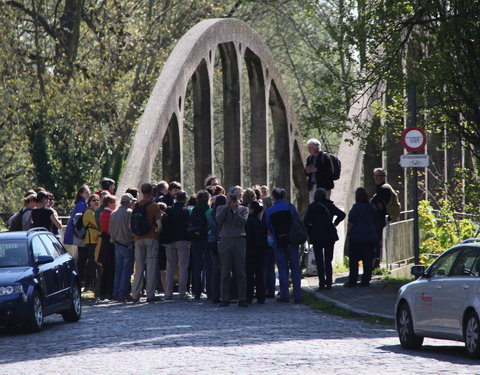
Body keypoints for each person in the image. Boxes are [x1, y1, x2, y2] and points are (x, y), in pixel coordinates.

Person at [264, 188, 302, 303]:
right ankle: (297, 295)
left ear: (273, 197)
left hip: (278, 242)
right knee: (295, 268)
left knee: (282, 269)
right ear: (284, 196)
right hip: (292, 241)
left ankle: (285, 295)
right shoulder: (291, 207)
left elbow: (268, 227)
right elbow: (297, 220)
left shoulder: (269, 211)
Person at [303, 188, 346, 290]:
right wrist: (335, 223)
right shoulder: (329, 205)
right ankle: (329, 282)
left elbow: (305, 222)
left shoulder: (312, 207)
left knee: (319, 260)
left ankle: (322, 283)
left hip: (317, 236)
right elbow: (342, 214)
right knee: (328, 260)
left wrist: (310, 231)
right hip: (329, 235)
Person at [216, 187, 249, 307]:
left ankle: (242, 298)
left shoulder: (244, 209)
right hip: (225, 240)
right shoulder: (220, 208)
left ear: (240, 196)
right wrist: (226, 206)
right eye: (231, 195)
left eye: (236, 195)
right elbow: (219, 219)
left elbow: (242, 223)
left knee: (240, 271)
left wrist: (235, 210)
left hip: (239, 240)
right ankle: (225, 298)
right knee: (224, 271)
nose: (233, 197)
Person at [131, 183, 162, 303]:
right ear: (152, 192)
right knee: (151, 266)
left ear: (142, 192)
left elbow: (131, 225)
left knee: (138, 267)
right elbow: (159, 226)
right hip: (151, 238)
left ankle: (135, 294)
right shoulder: (154, 206)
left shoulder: (136, 205)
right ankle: (150, 294)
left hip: (138, 239)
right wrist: (157, 232)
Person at [344, 187, 378, 287]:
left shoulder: (355, 208)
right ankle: (365, 280)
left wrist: (348, 233)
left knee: (354, 261)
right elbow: (376, 220)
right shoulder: (371, 207)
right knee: (367, 261)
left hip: (356, 238)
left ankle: (352, 281)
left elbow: (351, 223)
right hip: (369, 237)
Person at [163, 191, 191, 300]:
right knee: (183, 266)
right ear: (185, 199)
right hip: (183, 240)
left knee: (170, 267)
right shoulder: (186, 211)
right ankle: (182, 292)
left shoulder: (169, 210)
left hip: (170, 240)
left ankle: (168, 292)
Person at [110, 193, 136, 302]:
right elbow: (131, 229)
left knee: (118, 270)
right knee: (126, 271)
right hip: (127, 245)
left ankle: (116, 293)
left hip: (116, 245)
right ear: (129, 202)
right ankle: (123, 293)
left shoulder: (113, 213)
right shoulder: (129, 213)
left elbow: (110, 229)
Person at [189, 190, 212, 299]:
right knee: (208, 265)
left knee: (196, 266)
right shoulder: (209, 211)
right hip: (206, 239)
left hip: (195, 239)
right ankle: (209, 290)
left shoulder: (193, 210)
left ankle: (196, 291)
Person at [245, 201, 267, 304]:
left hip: (251, 249)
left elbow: (248, 236)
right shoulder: (260, 221)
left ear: (252, 210)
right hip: (261, 249)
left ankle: (249, 296)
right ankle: (261, 296)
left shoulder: (248, 221)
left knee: (249, 274)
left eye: (248, 208)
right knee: (259, 273)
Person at [370, 168, 392, 268]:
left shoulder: (383, 189)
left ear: (383, 177)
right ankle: (376, 260)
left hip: (379, 218)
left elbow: (375, 202)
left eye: (377, 176)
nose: (375, 178)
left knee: (376, 240)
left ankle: (376, 261)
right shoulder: (382, 188)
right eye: (374, 175)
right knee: (376, 239)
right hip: (380, 218)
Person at [207, 195, 226, 303]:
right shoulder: (224, 214)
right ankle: (224, 294)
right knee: (225, 268)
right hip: (223, 240)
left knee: (215, 269)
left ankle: (214, 294)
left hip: (212, 241)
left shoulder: (210, 214)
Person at [98, 195, 117, 299]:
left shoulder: (102, 213)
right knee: (111, 269)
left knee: (105, 269)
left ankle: (103, 291)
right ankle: (110, 291)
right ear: (110, 203)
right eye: (114, 203)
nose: (116, 205)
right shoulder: (110, 214)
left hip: (104, 242)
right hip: (110, 242)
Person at [82, 194, 101, 291]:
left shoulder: (95, 212)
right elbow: (97, 223)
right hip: (91, 241)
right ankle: (90, 285)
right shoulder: (89, 212)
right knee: (92, 263)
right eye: (94, 200)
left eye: (98, 200)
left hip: (95, 240)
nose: (96, 202)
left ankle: (91, 284)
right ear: (89, 202)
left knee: (94, 263)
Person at [261, 196, 276, 299]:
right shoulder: (274, 212)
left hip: (266, 243)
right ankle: (272, 290)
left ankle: (265, 289)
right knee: (272, 268)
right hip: (274, 242)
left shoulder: (265, 214)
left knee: (265, 267)